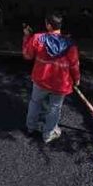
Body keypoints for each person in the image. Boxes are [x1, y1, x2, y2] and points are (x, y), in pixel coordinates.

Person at [22, 13, 80, 144]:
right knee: (55, 107)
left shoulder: (38, 38)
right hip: (60, 83)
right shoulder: (70, 44)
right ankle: (48, 134)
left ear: (48, 25)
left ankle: (30, 127)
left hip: (41, 80)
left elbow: (27, 55)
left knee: (35, 102)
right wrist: (76, 79)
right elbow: (74, 64)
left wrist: (26, 37)